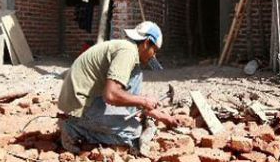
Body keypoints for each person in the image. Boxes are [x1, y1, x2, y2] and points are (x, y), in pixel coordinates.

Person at [56, 21, 186, 153]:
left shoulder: (129, 53)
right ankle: (73, 128)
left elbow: (130, 99)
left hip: (89, 99)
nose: (154, 56)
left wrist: (164, 118)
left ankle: (94, 123)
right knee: (134, 132)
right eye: (155, 51)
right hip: (80, 105)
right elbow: (111, 95)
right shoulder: (127, 52)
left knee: (136, 75)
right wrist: (145, 100)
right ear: (147, 43)